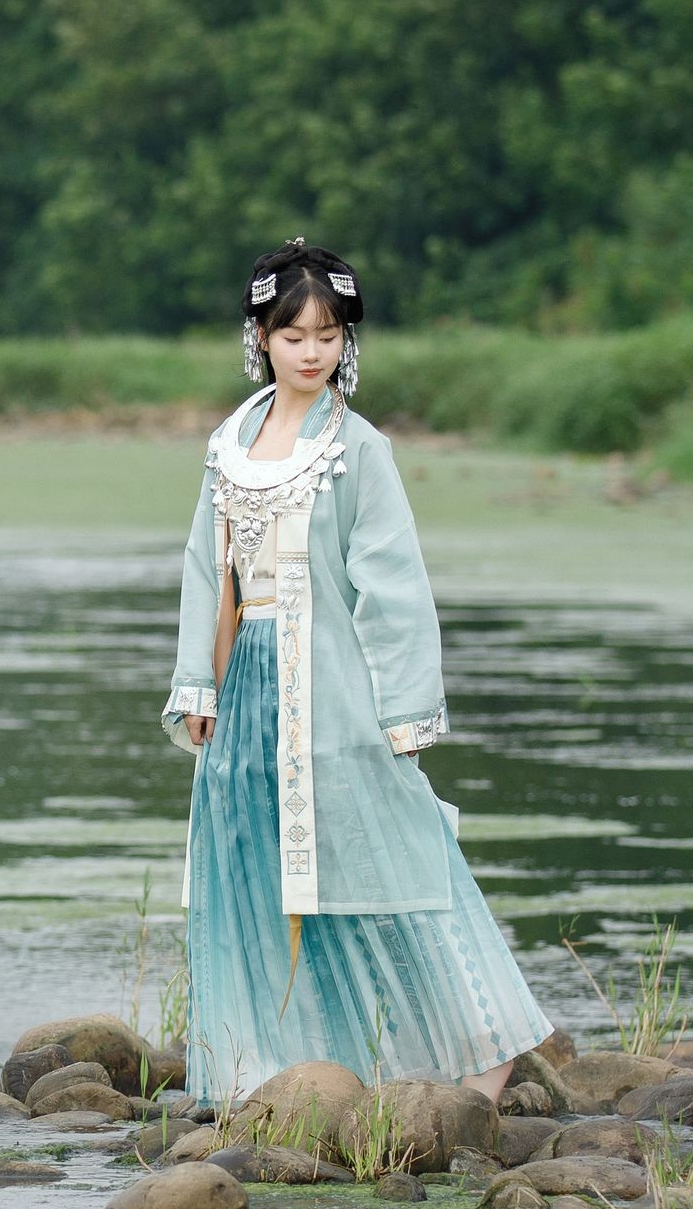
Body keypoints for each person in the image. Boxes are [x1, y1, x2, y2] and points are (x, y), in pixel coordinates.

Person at [165, 240, 553, 1099]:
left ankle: (482, 1055)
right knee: (255, 864)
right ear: (258, 337)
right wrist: (201, 683)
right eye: (294, 334)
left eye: (330, 335)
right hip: (246, 683)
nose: (313, 352)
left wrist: (404, 713)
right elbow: (210, 570)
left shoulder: (358, 449)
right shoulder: (228, 443)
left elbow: (395, 587)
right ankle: (274, 1070)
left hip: (333, 684)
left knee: (393, 850)